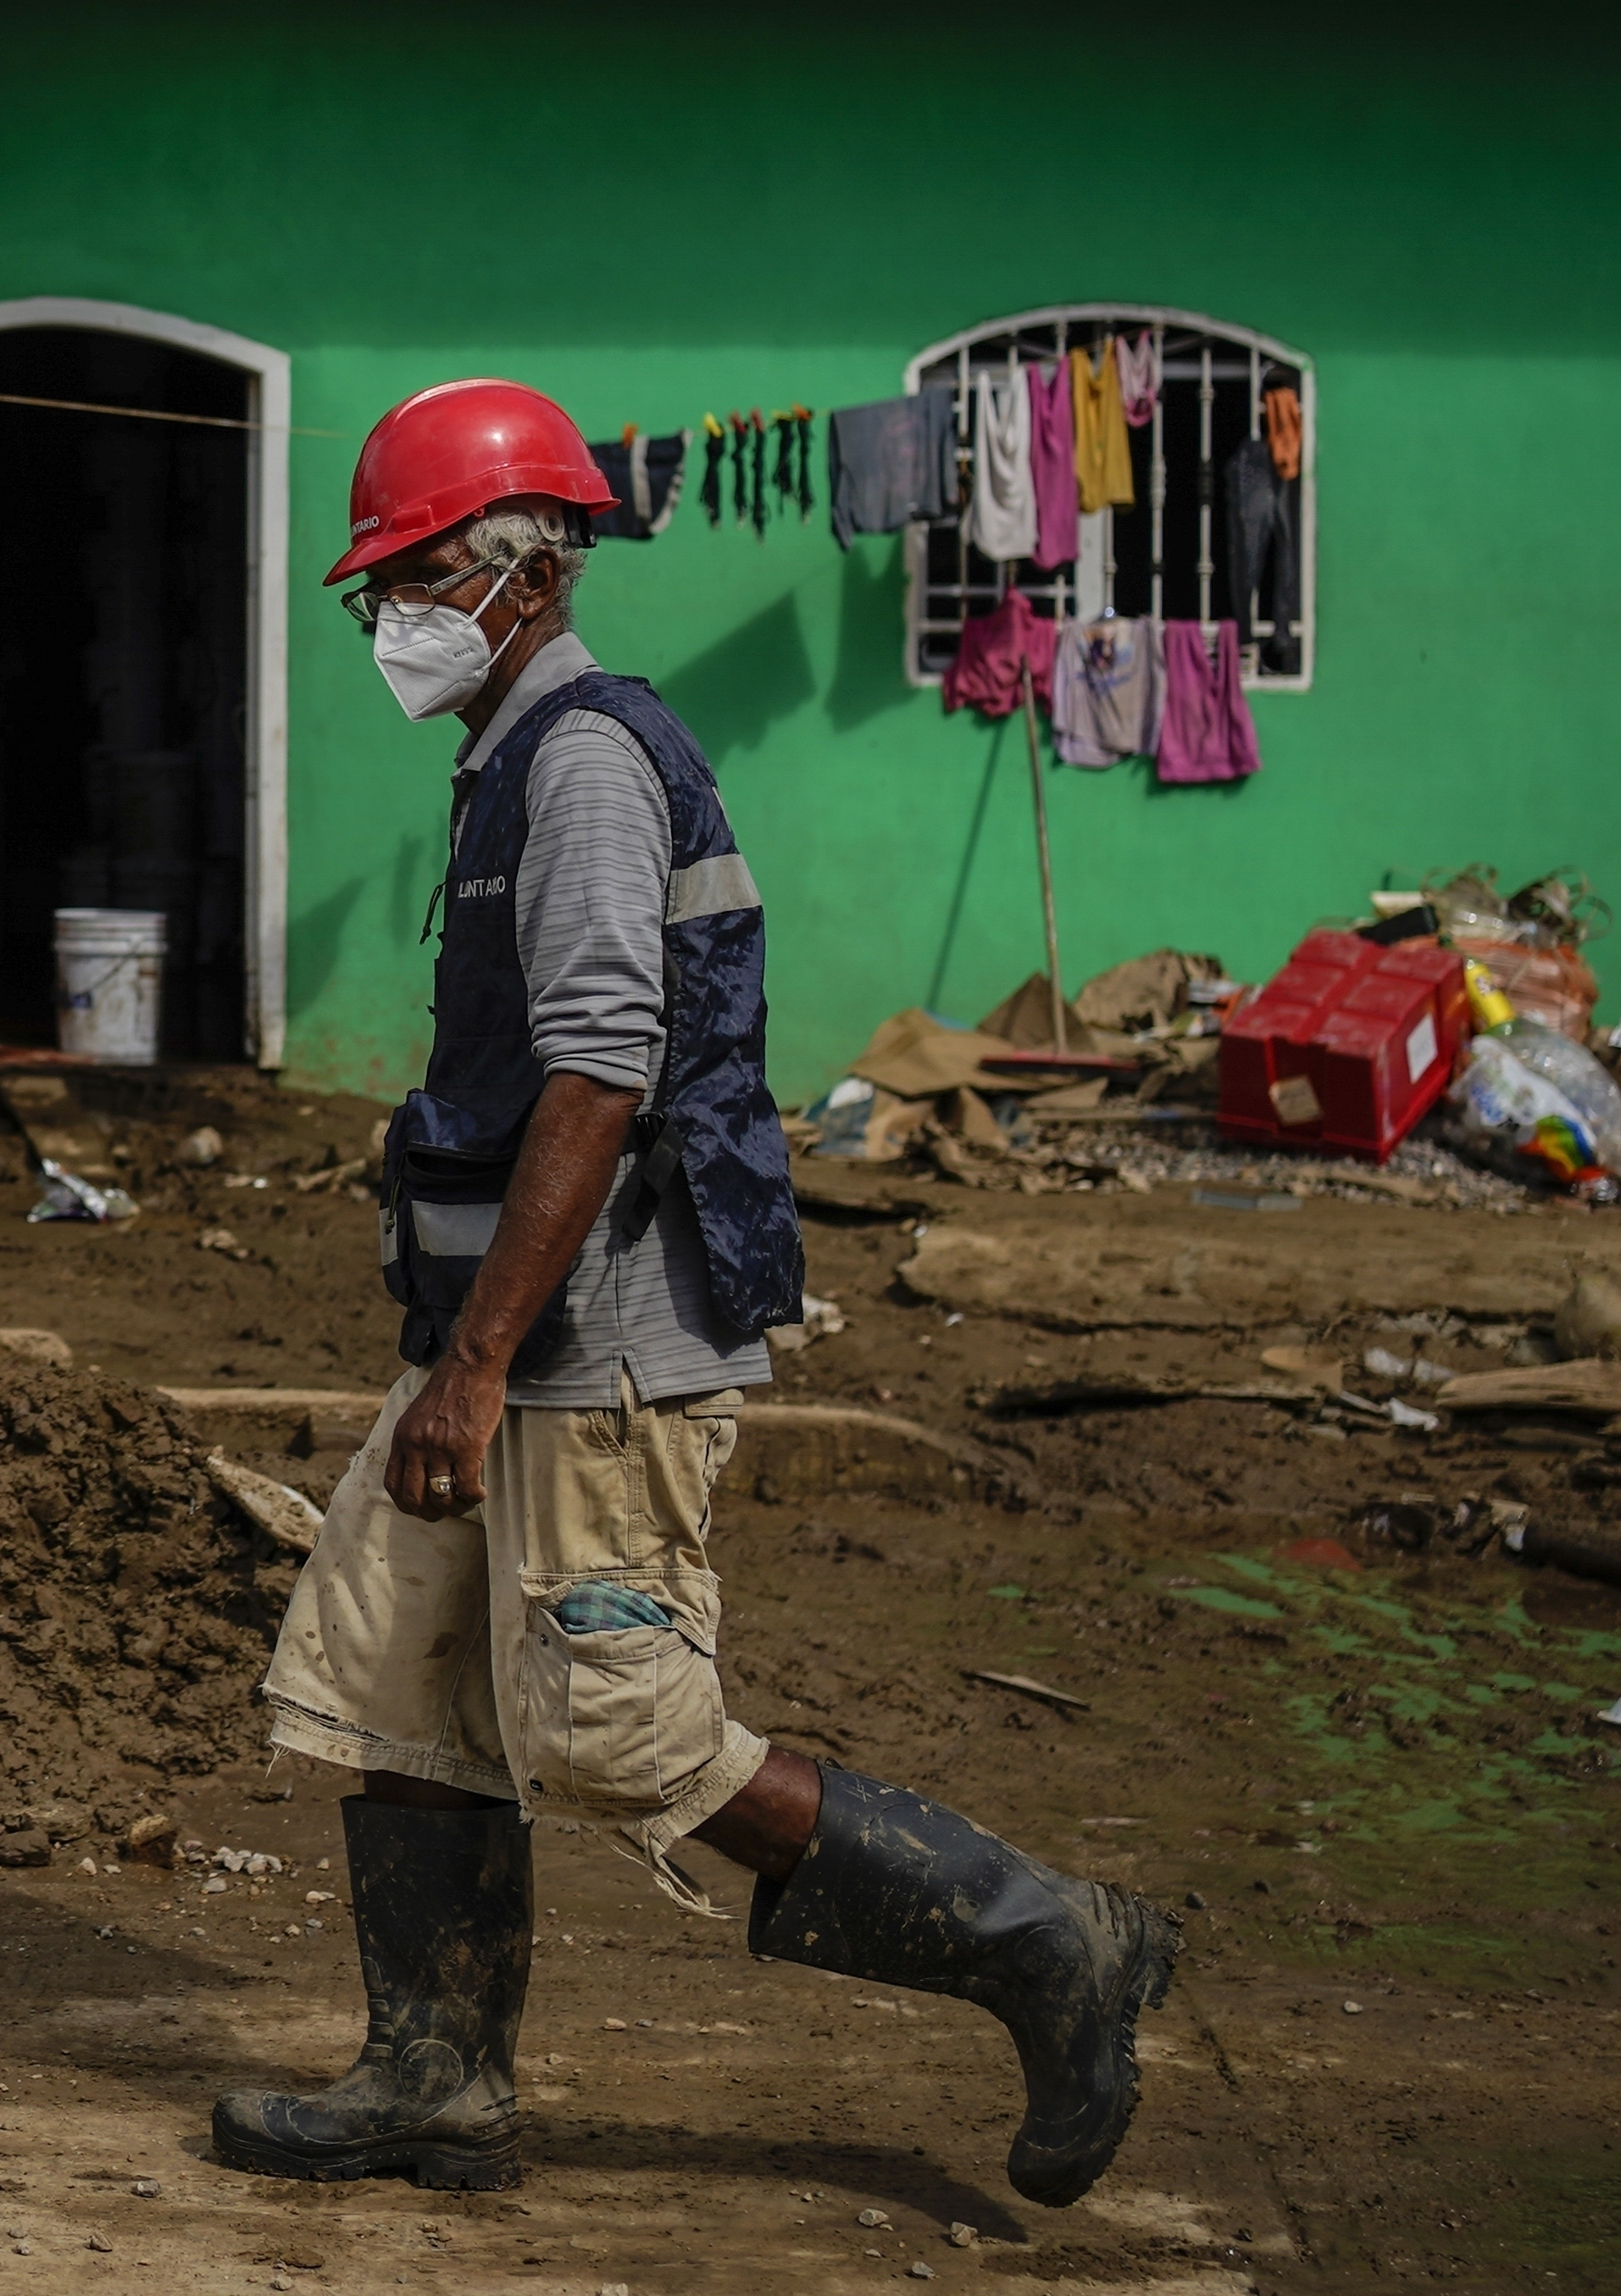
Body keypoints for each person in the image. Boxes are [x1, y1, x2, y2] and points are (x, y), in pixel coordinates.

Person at [209, 376, 1178, 2214]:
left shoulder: (576, 762)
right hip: (510, 1332)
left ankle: (1051, 1939)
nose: (379, 617)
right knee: (393, 1670)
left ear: (513, 569)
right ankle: (435, 2072)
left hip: (595, 1351)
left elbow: (598, 1071)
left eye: (400, 575)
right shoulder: (512, 752)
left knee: (614, 1727)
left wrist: (480, 1361)